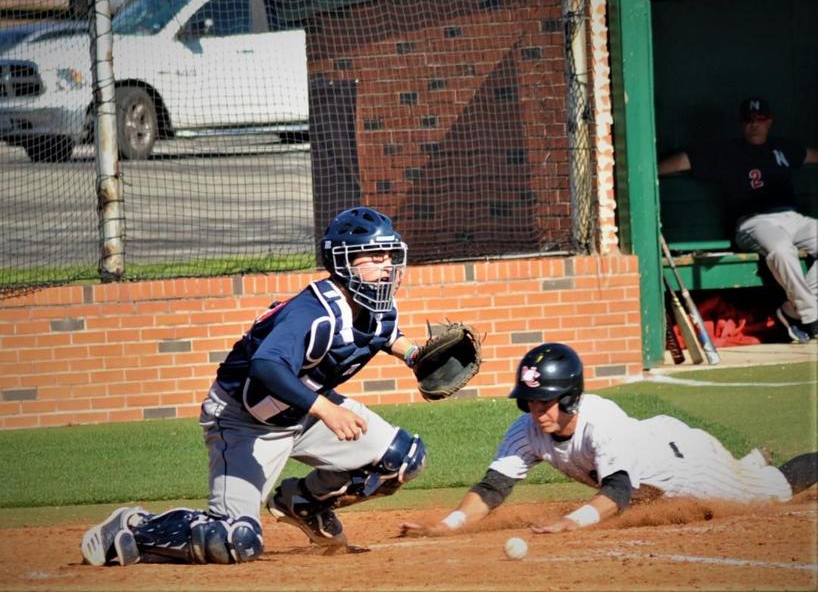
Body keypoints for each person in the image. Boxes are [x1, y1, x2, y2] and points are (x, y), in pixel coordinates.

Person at [81, 206, 428, 566]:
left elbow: (384, 335)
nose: (387, 266)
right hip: (244, 421)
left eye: (390, 256)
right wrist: (325, 409)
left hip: (301, 413)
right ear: (344, 263)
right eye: (375, 256)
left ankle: (306, 503)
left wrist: (415, 356)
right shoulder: (315, 312)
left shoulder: (377, 305)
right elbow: (266, 366)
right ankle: (136, 528)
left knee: (402, 458)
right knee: (235, 541)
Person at [400, 343, 817, 537]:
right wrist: (446, 525)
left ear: (571, 398)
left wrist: (572, 521)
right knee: (749, 474)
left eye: (546, 402)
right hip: (654, 447)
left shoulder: (601, 422)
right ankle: (750, 461)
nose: (536, 411)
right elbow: (494, 487)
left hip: (689, 464)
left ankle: (760, 468)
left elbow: (617, 491)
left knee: (769, 491)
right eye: (529, 401)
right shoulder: (528, 428)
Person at [658, 96, 818, 343]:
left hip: (792, 218)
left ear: (770, 122)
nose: (755, 124)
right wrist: (645, 171)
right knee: (781, 249)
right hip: (754, 222)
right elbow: (683, 160)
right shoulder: (727, 152)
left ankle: (791, 311)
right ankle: (811, 316)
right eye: (749, 120)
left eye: (760, 119)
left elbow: (810, 155)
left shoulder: (782, 148)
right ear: (741, 123)